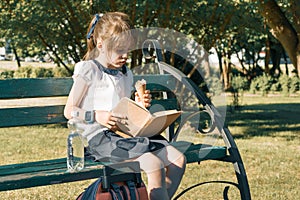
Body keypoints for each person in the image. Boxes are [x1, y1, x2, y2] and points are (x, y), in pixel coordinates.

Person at [64, 12, 186, 200]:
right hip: (101, 139)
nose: (125, 56)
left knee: (178, 160)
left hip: (126, 134)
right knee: (154, 165)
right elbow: (69, 110)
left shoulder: (125, 73)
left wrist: (139, 106)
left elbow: (122, 108)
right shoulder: (90, 70)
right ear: (101, 45)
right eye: (119, 50)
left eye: (127, 50)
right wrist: (97, 116)